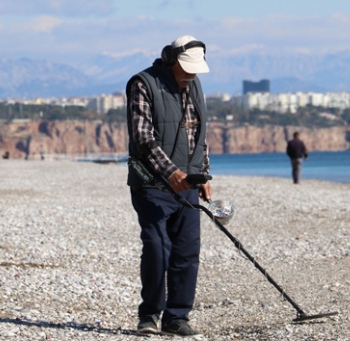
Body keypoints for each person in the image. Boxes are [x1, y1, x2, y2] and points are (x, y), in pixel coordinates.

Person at [126, 35, 212, 337]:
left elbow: (200, 137)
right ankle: (149, 314)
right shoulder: (143, 84)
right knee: (157, 248)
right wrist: (172, 173)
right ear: (171, 60)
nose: (191, 74)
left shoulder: (195, 84)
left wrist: (203, 175)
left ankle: (177, 317)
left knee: (187, 252)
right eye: (187, 68)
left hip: (187, 183)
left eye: (196, 69)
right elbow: (142, 139)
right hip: (151, 184)